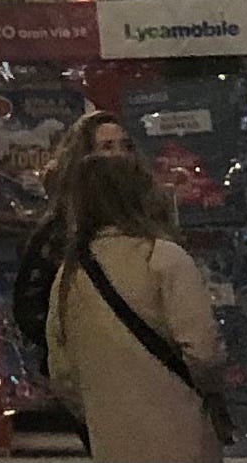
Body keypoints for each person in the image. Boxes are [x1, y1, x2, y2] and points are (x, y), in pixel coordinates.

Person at [44, 154, 223, 461]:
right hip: (182, 437)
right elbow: (203, 353)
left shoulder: (68, 276)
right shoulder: (163, 258)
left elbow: (62, 373)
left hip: (112, 444)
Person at [10, 110, 134, 373]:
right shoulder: (60, 230)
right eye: (107, 147)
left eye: (125, 146)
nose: (119, 155)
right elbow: (30, 308)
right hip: (90, 370)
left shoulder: (144, 219)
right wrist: (73, 351)